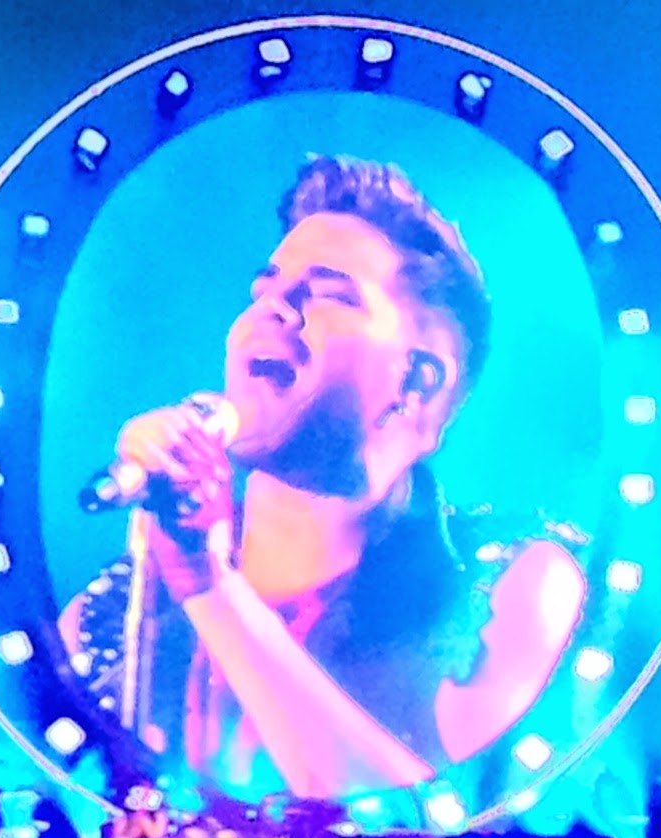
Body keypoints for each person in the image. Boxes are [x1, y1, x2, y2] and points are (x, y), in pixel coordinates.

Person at [60, 155, 586, 802]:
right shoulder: (111, 618)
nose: (272, 308)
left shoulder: (507, 586)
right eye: (263, 289)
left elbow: (427, 827)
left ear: (418, 384)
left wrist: (208, 584)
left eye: (328, 293)